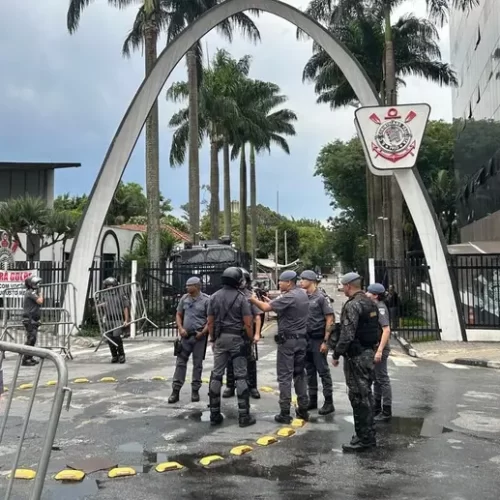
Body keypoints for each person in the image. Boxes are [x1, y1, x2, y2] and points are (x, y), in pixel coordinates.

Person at [250, 270, 310, 424]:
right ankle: (303, 408)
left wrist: (252, 299)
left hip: (288, 342)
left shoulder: (289, 296)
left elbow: (265, 308)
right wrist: (270, 300)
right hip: (301, 340)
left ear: (289, 282)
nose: (279, 284)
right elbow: (283, 307)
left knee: (285, 376)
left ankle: (284, 412)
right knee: (300, 374)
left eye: (281, 281)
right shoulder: (302, 294)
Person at [331, 272, 379, 452]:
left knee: (359, 397)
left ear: (349, 286)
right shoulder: (369, 302)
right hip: (367, 353)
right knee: (366, 394)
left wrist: (336, 354)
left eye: (343, 286)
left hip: (356, 357)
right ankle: (368, 434)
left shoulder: (353, 305)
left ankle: (364, 439)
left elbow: (347, 335)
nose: (342, 289)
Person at [207, 267, 256, 428]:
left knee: (216, 374)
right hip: (237, 339)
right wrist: (249, 339)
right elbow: (248, 323)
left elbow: (210, 322)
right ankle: (244, 415)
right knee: (241, 376)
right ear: (238, 280)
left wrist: (213, 339)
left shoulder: (213, 297)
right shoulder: (242, 299)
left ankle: (214, 413)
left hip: (220, 339)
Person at [168, 276, 210, 404]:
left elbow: (210, 319)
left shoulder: (206, 300)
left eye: (189, 285)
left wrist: (203, 332)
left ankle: (195, 390)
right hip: (185, 336)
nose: (186, 288)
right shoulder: (184, 299)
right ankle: (175, 391)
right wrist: (180, 328)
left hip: (199, 337)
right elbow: (179, 314)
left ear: (197, 286)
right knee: (180, 364)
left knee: (197, 365)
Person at [299, 270, 335, 415]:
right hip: (306, 339)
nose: (300, 281)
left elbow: (330, 319)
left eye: (303, 279)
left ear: (312, 281)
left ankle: (328, 402)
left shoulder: (321, 297)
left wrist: (326, 341)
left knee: (323, 371)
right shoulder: (303, 297)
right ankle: (312, 400)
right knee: (309, 372)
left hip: (318, 339)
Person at [223, 269, 262, 400]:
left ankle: (252, 387)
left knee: (250, 360)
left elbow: (257, 317)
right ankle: (230, 386)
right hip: (231, 333)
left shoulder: (249, 296)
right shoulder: (226, 294)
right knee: (230, 361)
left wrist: (256, 334)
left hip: (246, 334)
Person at [366, 283, 392, 422]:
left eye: (369, 292)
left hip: (380, 348)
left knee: (382, 379)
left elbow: (386, 330)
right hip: (374, 347)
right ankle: (376, 408)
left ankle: (386, 410)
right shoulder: (374, 307)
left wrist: (380, 351)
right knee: (376, 378)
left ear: (375, 295)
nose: (366, 293)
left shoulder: (380, 308)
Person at [98, 276, 129, 364]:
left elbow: (125, 307)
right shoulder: (104, 294)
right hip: (108, 318)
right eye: (107, 286)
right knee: (109, 337)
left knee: (116, 336)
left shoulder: (120, 294)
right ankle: (114, 355)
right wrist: (101, 306)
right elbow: (103, 304)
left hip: (117, 318)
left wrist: (126, 320)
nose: (109, 287)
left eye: (111, 285)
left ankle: (121, 354)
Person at [21, 276, 43, 366]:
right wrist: (41, 293)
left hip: (32, 319)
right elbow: (40, 301)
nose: (38, 285)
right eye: (37, 283)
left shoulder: (31, 293)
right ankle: (26, 359)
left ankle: (29, 357)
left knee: (32, 339)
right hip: (29, 319)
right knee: (30, 339)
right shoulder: (30, 293)